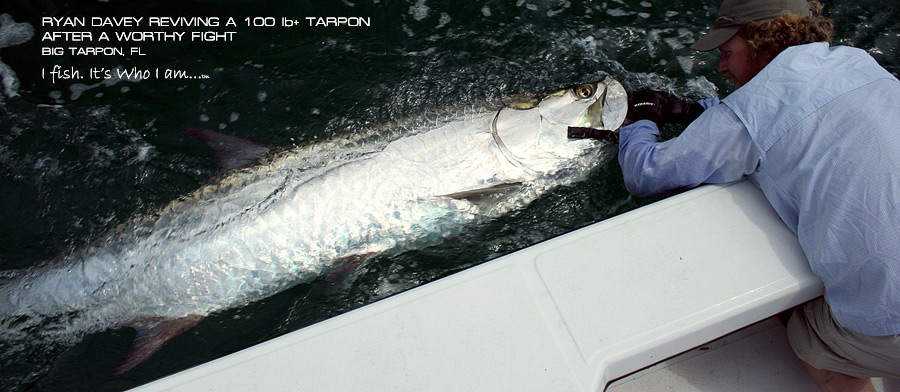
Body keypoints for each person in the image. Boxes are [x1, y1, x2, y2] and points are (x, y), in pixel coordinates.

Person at [616, 0, 900, 391]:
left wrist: (640, 118)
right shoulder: (859, 63)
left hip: (889, 330)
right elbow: (786, 112)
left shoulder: (746, 112)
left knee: (805, 327)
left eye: (726, 52)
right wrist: (700, 111)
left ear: (762, 40)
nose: (720, 68)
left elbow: (646, 173)